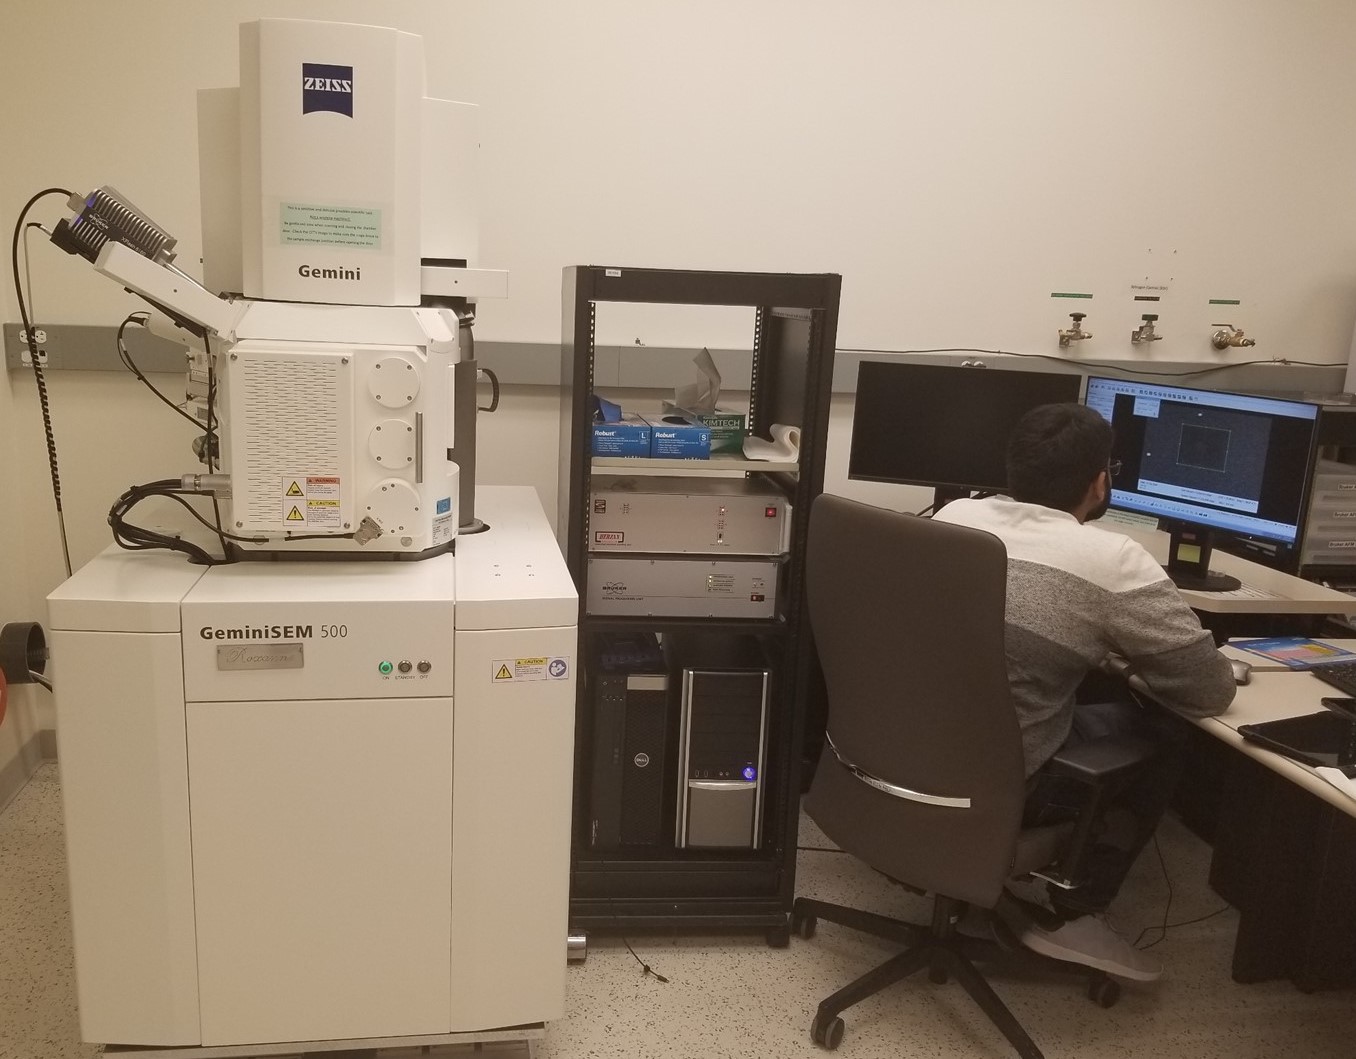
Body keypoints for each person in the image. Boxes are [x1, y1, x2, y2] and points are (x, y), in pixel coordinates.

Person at [933, 402, 1236, 981]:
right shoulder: (1112, 561)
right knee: (1164, 733)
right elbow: (1208, 692)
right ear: (1101, 482)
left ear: (1012, 469)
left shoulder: (954, 517)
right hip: (1003, 777)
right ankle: (1070, 911)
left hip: (912, 751)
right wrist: (1130, 668)